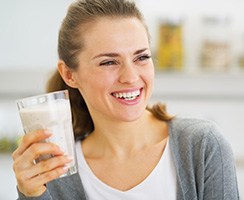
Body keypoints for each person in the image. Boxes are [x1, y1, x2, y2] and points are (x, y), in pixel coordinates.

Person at [12, 0, 239, 199]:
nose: (131, 77)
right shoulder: (56, 170)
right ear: (69, 74)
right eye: (108, 62)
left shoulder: (202, 146)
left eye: (141, 57)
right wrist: (32, 196)